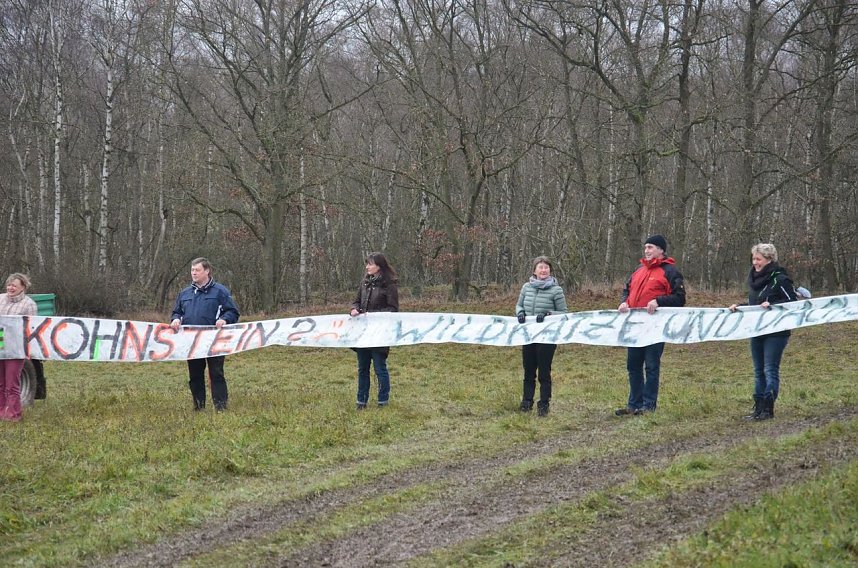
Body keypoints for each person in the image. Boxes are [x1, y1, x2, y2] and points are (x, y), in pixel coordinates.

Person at [615, 235, 686, 416]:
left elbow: (680, 298)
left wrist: (659, 301)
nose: (647, 250)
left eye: (651, 247)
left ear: (661, 250)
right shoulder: (638, 270)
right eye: (646, 247)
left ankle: (648, 405)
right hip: (634, 326)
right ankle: (634, 404)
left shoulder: (670, 272)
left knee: (651, 366)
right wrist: (624, 302)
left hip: (656, 327)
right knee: (633, 365)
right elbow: (627, 290)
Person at [729, 243, 798, 421]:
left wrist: (772, 306)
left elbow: (792, 303)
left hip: (776, 332)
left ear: (769, 260)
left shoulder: (781, 278)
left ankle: (768, 408)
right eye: (753, 259)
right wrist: (740, 307)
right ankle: (758, 408)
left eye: (758, 259)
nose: (755, 263)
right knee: (758, 370)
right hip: (757, 329)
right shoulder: (753, 280)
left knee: (770, 369)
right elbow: (754, 304)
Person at [170, 258, 240, 411]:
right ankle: (199, 407)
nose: (194, 273)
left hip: (215, 340)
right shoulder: (184, 293)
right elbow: (177, 312)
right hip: (191, 341)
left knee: (216, 373)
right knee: (195, 375)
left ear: (207, 271)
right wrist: (175, 319)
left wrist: (224, 319)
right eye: (192, 270)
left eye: (197, 270)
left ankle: (221, 407)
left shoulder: (220, 291)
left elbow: (233, 311)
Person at [515, 256, 568, 417]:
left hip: (547, 336)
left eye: (546, 267)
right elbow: (519, 305)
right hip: (528, 335)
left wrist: (549, 314)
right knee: (528, 370)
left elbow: (564, 313)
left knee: (544, 371)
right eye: (540, 267)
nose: (543, 270)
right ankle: (526, 401)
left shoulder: (556, 290)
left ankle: (544, 403)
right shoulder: (526, 287)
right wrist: (520, 313)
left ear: (550, 271)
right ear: (534, 271)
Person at [349, 252, 399, 410]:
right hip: (363, 334)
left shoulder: (389, 284)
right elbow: (356, 301)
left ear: (379, 266)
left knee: (379, 368)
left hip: (380, 334)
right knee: (363, 368)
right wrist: (354, 309)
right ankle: (361, 401)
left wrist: (374, 316)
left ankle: (383, 401)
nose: (367, 267)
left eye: (370, 264)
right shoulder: (364, 283)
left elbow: (393, 309)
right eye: (367, 264)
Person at [0, 273, 38, 422]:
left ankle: (14, 414)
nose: (10, 288)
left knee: (12, 383)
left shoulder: (29, 304)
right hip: (0, 346)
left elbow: (32, 328)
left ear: (23, 287)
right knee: (1, 383)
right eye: (9, 285)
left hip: (16, 349)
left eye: (14, 285)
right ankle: (2, 411)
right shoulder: (1, 299)